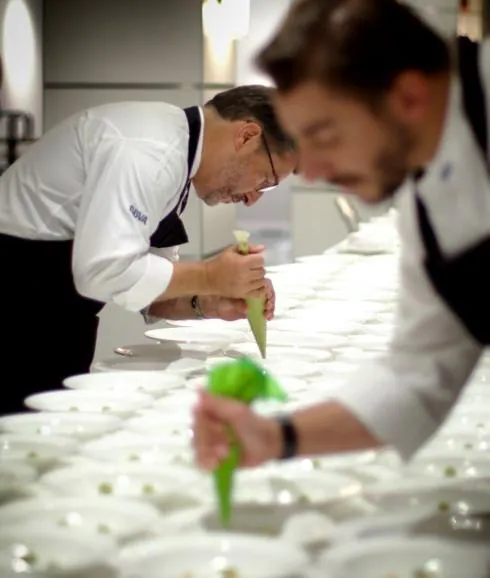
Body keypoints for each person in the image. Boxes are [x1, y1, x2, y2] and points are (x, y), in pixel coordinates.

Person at [193, 0, 490, 469]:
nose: (310, 172)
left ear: (408, 97)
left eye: (323, 134)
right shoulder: (424, 210)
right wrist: (275, 437)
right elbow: (416, 377)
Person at [0, 85, 296, 414]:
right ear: (247, 136)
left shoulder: (179, 155)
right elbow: (102, 271)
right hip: (15, 308)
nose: (253, 197)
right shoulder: (148, 150)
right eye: (265, 180)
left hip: (53, 318)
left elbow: (150, 292)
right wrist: (210, 275)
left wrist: (209, 301)